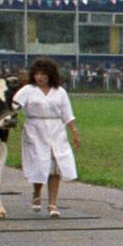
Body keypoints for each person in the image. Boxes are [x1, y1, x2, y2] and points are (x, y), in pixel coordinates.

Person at [13, 58, 80, 216]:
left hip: (56, 130)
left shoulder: (60, 92)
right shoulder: (28, 90)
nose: (40, 77)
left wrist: (74, 132)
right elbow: (14, 106)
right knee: (40, 164)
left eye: (43, 74)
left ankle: (52, 204)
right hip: (35, 130)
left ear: (50, 75)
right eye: (37, 74)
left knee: (55, 166)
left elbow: (67, 114)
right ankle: (37, 193)